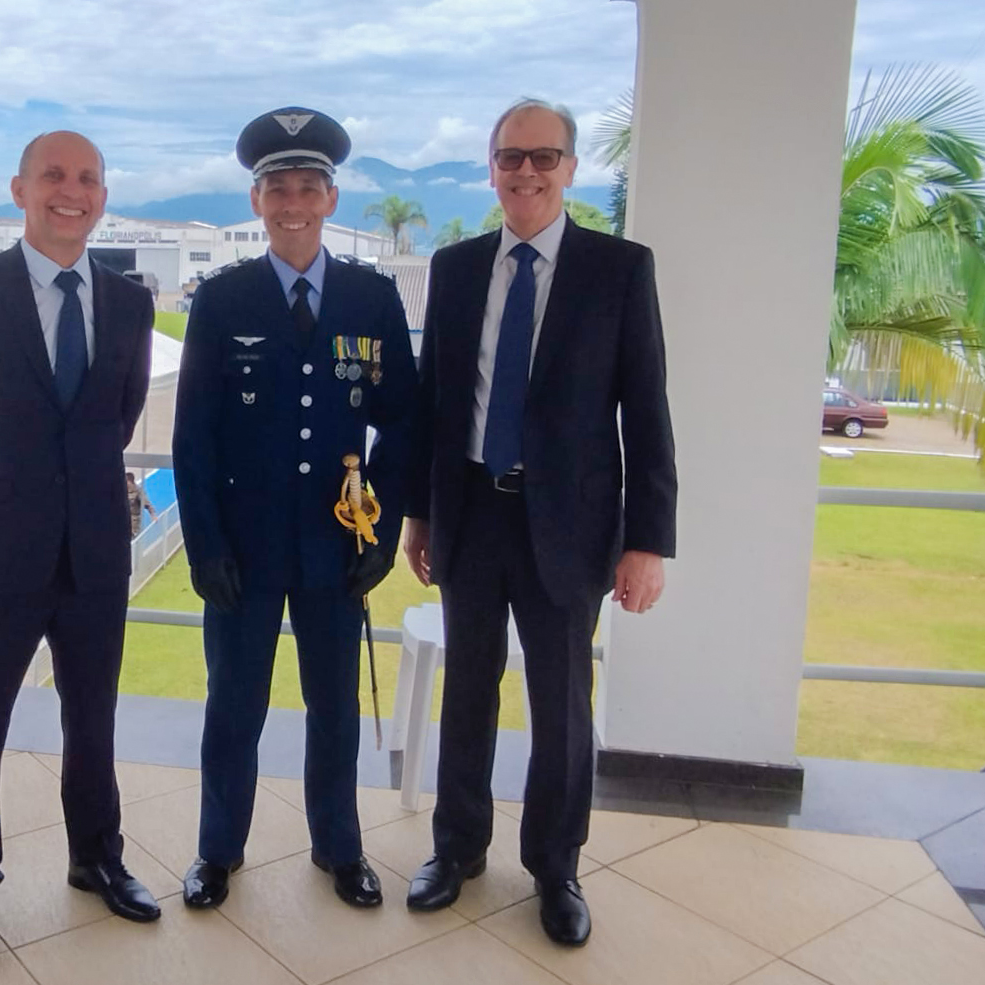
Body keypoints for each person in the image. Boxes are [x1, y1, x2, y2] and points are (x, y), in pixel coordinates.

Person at [401, 98, 677, 946]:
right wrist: (419, 512)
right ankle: (456, 850)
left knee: (561, 704)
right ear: (489, 167)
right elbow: (436, 405)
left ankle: (555, 867)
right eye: (510, 157)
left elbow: (646, 408)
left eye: (543, 157)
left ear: (569, 168)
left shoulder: (619, 269)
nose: (526, 171)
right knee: (467, 692)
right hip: (471, 513)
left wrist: (647, 539)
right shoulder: (453, 268)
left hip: (571, 524)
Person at [0, 130, 160, 969]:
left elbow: (113, 419)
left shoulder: (130, 302)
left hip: (93, 548)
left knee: (93, 718)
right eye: (54, 175)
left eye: (88, 178)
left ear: (101, 195)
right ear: (18, 189)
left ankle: (96, 856)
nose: (72, 190)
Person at [172, 107, 418, 910]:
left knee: (334, 709)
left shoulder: (370, 299)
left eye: (308, 186)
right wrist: (204, 544)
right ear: (256, 201)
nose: (293, 201)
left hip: (332, 547)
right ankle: (217, 850)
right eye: (277, 186)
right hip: (241, 548)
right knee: (232, 707)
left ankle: (339, 848)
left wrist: (379, 521)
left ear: (332, 198)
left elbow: (404, 419)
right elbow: (194, 436)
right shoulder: (221, 299)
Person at [125, 471, 157, 537]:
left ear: (130, 481)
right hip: (123, 519)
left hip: (133, 521)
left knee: (132, 539)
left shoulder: (138, 491)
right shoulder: (123, 490)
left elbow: (147, 504)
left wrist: (153, 515)